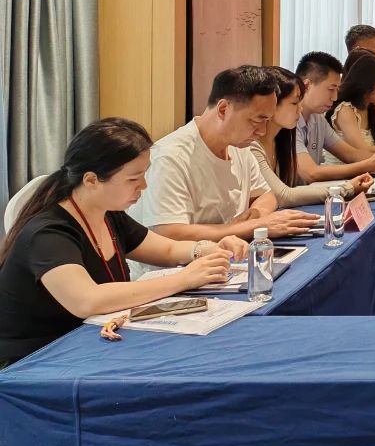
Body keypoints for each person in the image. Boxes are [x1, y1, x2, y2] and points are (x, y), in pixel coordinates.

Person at [0, 119, 237, 364]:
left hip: (91, 342)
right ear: (91, 180)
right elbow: (87, 300)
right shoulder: (48, 233)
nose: (143, 186)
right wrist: (185, 278)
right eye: (133, 179)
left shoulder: (108, 215)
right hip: (35, 360)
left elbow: (167, 249)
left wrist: (206, 249)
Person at [130, 66, 319, 249]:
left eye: (267, 120)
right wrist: (253, 226)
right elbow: (169, 233)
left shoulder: (240, 145)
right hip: (179, 265)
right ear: (223, 109)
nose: (262, 131)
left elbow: (266, 195)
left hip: (227, 255)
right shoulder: (170, 157)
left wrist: (257, 213)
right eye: (257, 120)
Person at [250, 67, 373, 207]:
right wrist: (347, 188)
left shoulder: (283, 137)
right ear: (272, 104)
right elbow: (284, 195)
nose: (300, 108)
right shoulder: (252, 145)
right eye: (294, 103)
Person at [293, 52, 375, 183]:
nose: (335, 97)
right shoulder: (289, 121)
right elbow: (311, 173)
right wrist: (368, 165)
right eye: (331, 89)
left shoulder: (317, 118)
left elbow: (350, 154)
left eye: (337, 89)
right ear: (306, 86)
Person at [330, 50, 375, 154]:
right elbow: (361, 150)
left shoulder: (370, 107)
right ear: (367, 84)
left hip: (369, 164)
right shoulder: (345, 110)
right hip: (346, 165)